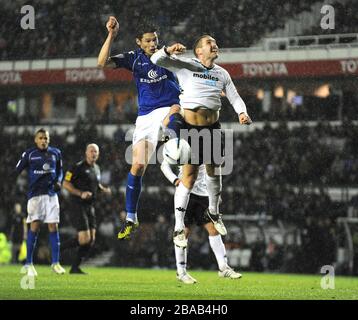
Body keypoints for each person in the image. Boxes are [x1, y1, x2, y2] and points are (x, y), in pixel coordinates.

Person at [151, 35, 252, 248]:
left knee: (214, 171)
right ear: (199, 52)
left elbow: (234, 97)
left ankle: (214, 211)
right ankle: (179, 225)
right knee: (189, 176)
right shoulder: (187, 65)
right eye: (209, 43)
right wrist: (168, 50)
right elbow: (156, 61)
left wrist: (241, 113)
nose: (214, 45)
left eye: (215, 42)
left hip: (212, 128)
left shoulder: (222, 73)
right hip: (190, 127)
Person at [98, 16, 188, 240]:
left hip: (170, 105)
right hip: (146, 116)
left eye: (154, 40)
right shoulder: (133, 59)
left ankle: (176, 148)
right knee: (137, 165)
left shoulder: (165, 56)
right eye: (147, 41)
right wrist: (112, 35)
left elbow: (165, 54)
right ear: (139, 42)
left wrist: (171, 49)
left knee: (175, 114)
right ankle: (131, 217)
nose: (152, 44)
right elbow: (102, 63)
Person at [161, 160, 242, 284]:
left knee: (214, 229)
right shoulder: (182, 144)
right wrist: (175, 180)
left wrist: (215, 195)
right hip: (187, 194)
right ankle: (181, 271)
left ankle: (223, 267)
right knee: (184, 232)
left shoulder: (206, 144)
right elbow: (164, 164)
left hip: (204, 194)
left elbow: (214, 171)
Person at [15, 128, 65, 276]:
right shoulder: (29, 154)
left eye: (46, 138)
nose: (44, 140)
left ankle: (55, 263)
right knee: (35, 226)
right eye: (41, 138)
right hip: (35, 195)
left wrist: (59, 181)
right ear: (35, 140)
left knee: (53, 226)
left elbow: (60, 171)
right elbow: (16, 170)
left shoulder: (56, 153)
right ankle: (29, 263)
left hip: (51, 195)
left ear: (49, 140)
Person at [62, 143, 111, 274]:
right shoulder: (77, 167)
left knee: (91, 239)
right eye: (91, 151)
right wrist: (80, 193)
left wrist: (103, 189)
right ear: (86, 153)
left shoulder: (97, 168)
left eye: (96, 151)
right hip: (77, 204)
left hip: (90, 206)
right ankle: (59, 248)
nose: (93, 153)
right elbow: (65, 184)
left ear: (98, 154)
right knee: (84, 239)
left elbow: (95, 184)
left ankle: (75, 267)